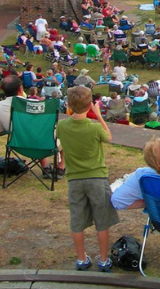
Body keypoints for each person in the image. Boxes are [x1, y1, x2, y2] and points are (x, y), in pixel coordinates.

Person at [56, 86, 118, 272]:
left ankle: (81, 259)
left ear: (69, 105)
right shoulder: (94, 127)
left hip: (75, 178)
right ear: (90, 105)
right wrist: (98, 115)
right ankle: (104, 259)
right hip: (97, 177)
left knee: (77, 220)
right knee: (102, 219)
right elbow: (108, 137)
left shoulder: (62, 126)